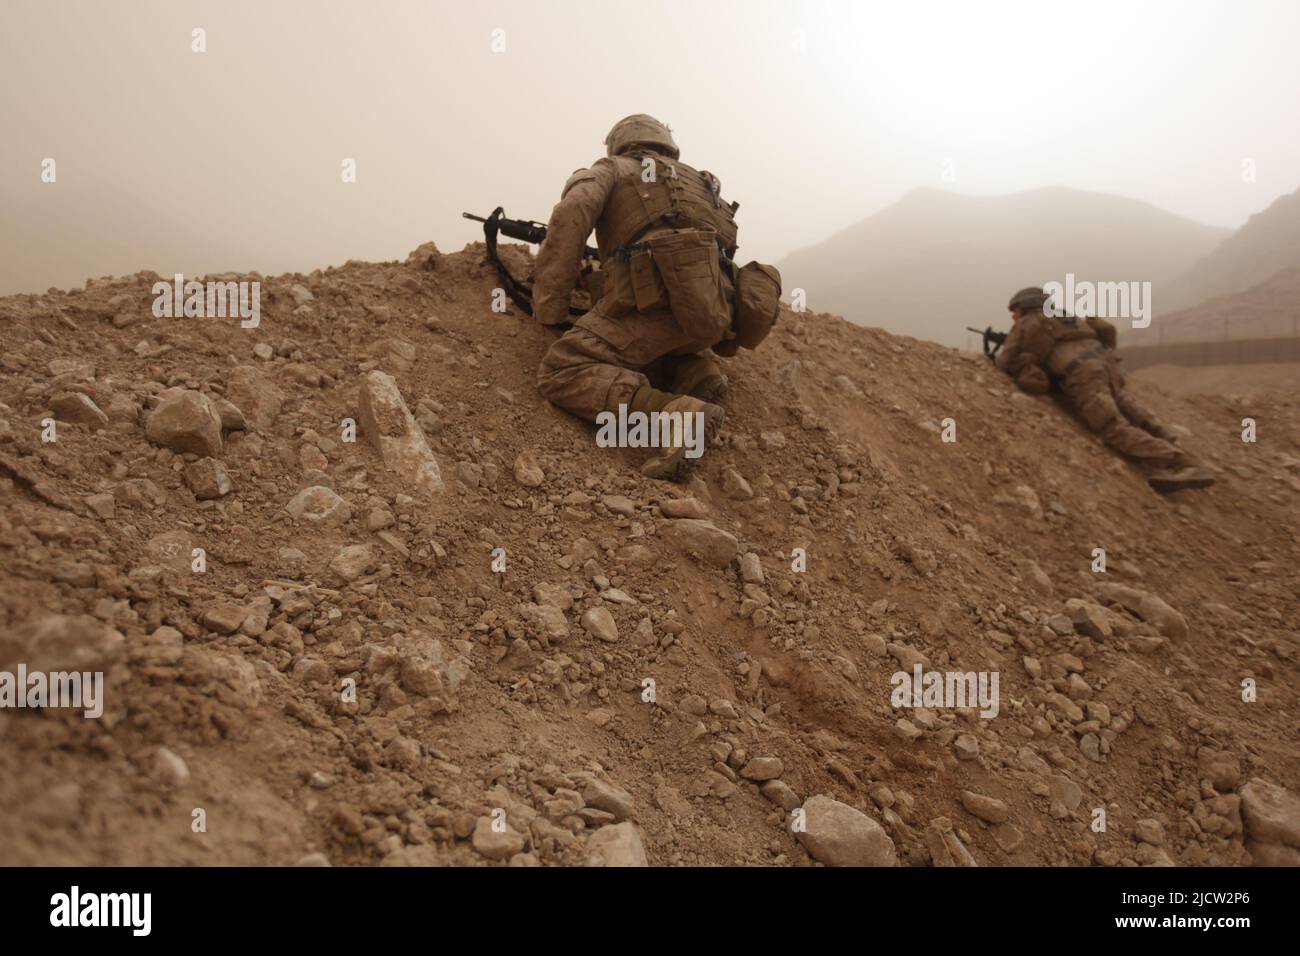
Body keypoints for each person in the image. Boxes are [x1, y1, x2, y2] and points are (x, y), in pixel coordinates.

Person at [532, 114, 779, 481]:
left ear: (621, 142)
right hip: (713, 311)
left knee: (561, 370)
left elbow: (572, 213)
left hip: (659, 308)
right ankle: (695, 371)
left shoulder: (613, 168)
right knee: (652, 342)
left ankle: (676, 416)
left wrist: (550, 308)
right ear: (667, 144)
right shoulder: (702, 184)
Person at [995, 287, 1215, 492]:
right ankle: (1164, 435)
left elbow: (1005, 361)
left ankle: (1177, 460)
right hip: (1109, 366)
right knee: (1123, 401)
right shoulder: (1068, 318)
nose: (1014, 316)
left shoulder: (1027, 323)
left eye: (1015, 311)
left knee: (1110, 426)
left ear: (1025, 307)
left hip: (1083, 374)